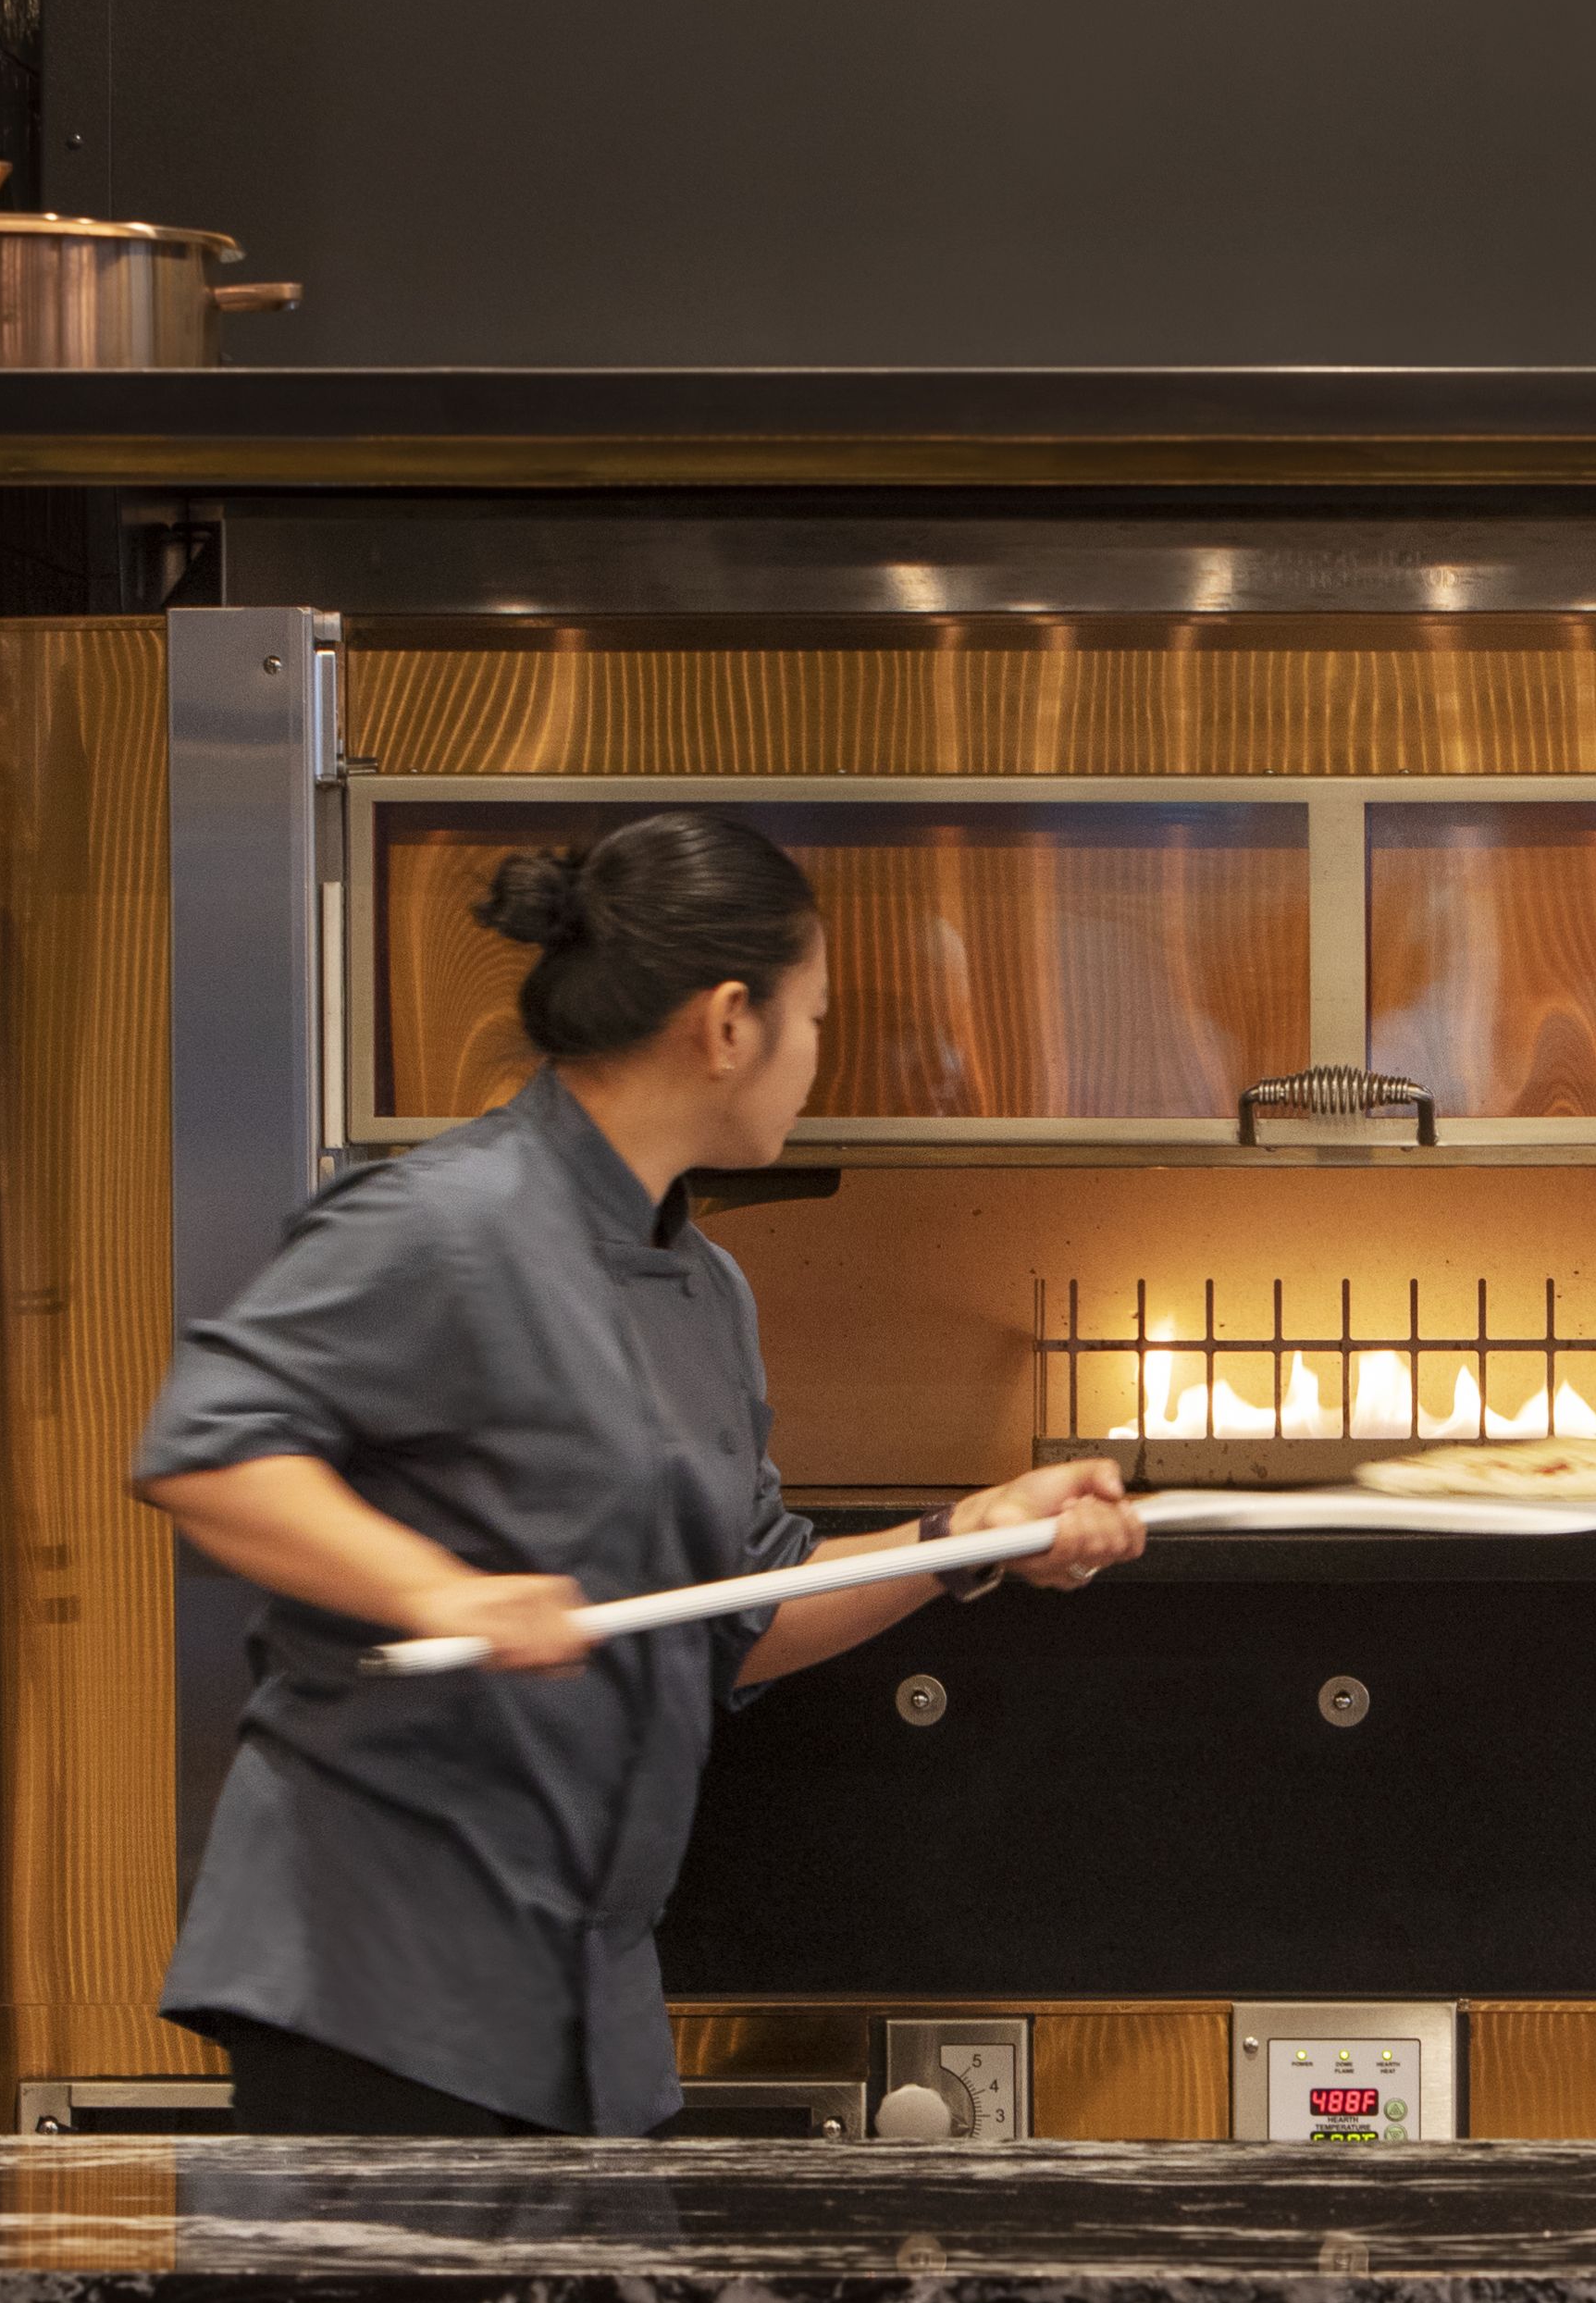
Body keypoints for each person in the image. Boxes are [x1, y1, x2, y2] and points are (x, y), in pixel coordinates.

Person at [129, 811, 1144, 2133]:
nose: (818, 1058)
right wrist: (441, 1591)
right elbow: (211, 1447)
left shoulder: (704, 1286)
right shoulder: (445, 1220)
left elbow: (743, 1609)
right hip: (384, 1980)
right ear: (729, 1025)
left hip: (586, 1999)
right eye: (816, 1019)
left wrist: (967, 1538)